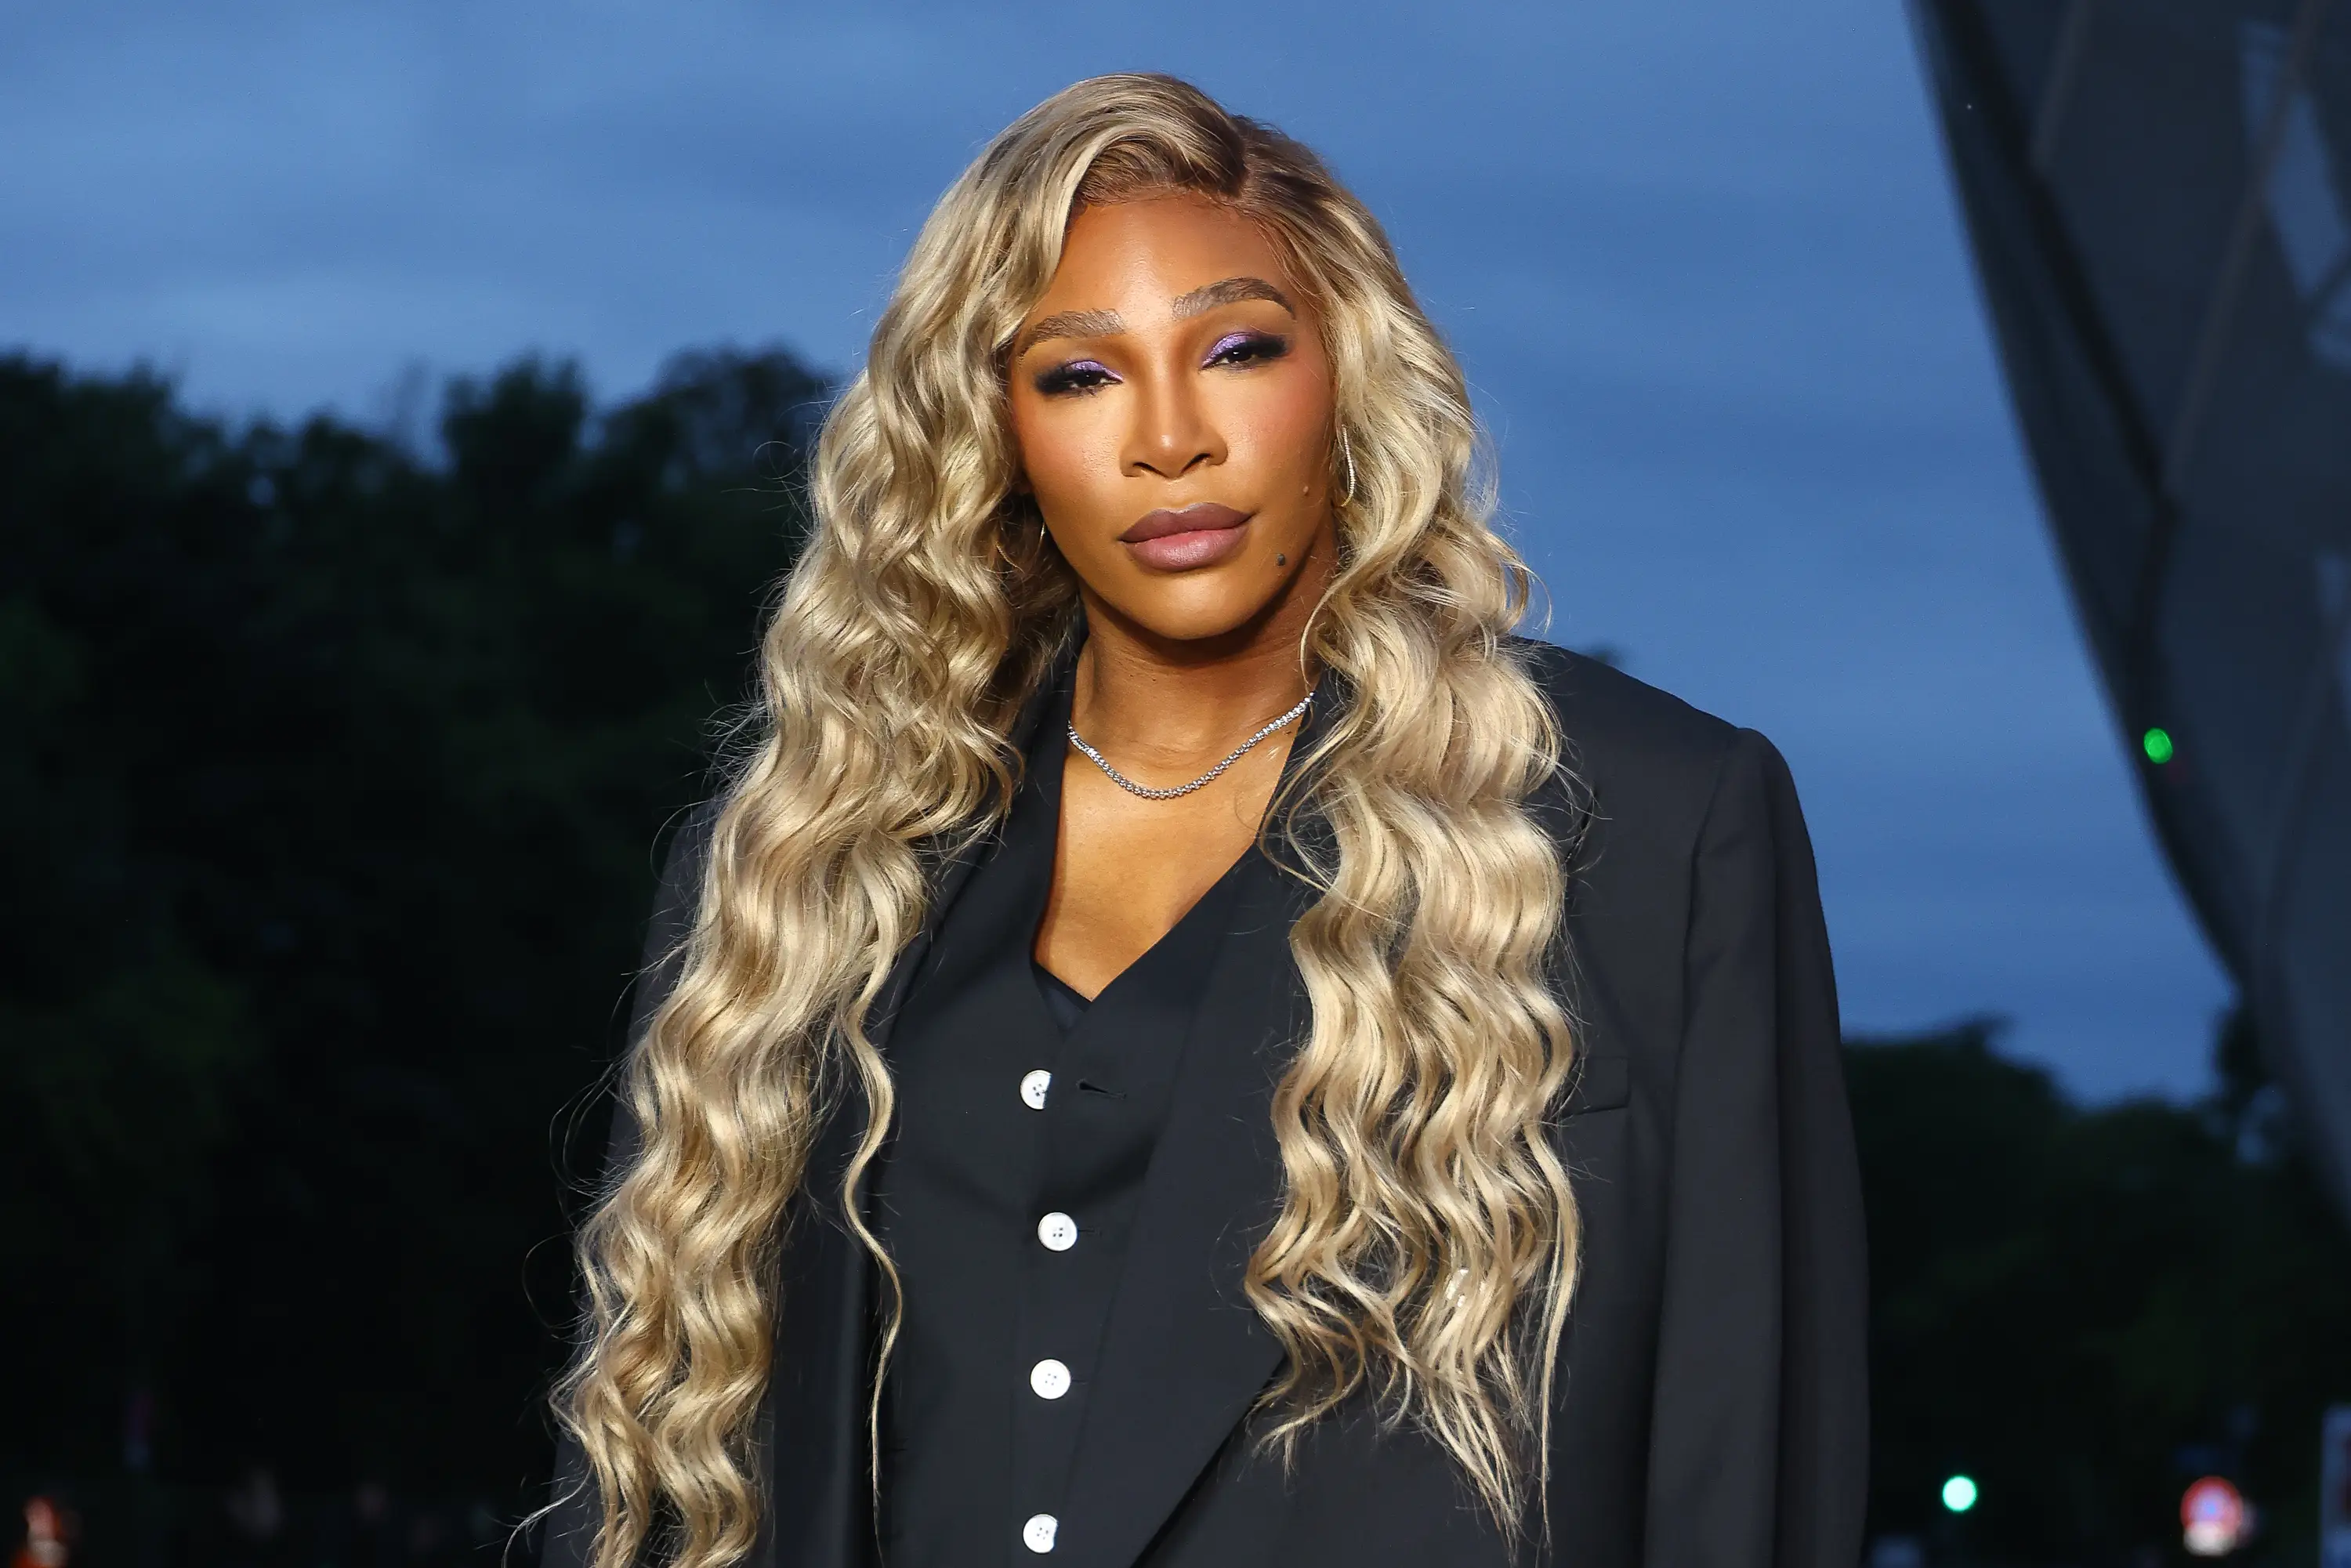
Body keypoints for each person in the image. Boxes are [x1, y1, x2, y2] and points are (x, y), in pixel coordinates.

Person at [538, 72, 1866, 1568]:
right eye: (1080, 376)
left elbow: (1747, 1463)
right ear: (996, 429)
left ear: (1348, 373)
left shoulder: (1652, 822)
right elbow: (663, 1459)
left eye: (1235, 349)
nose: (1169, 438)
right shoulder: (794, 868)